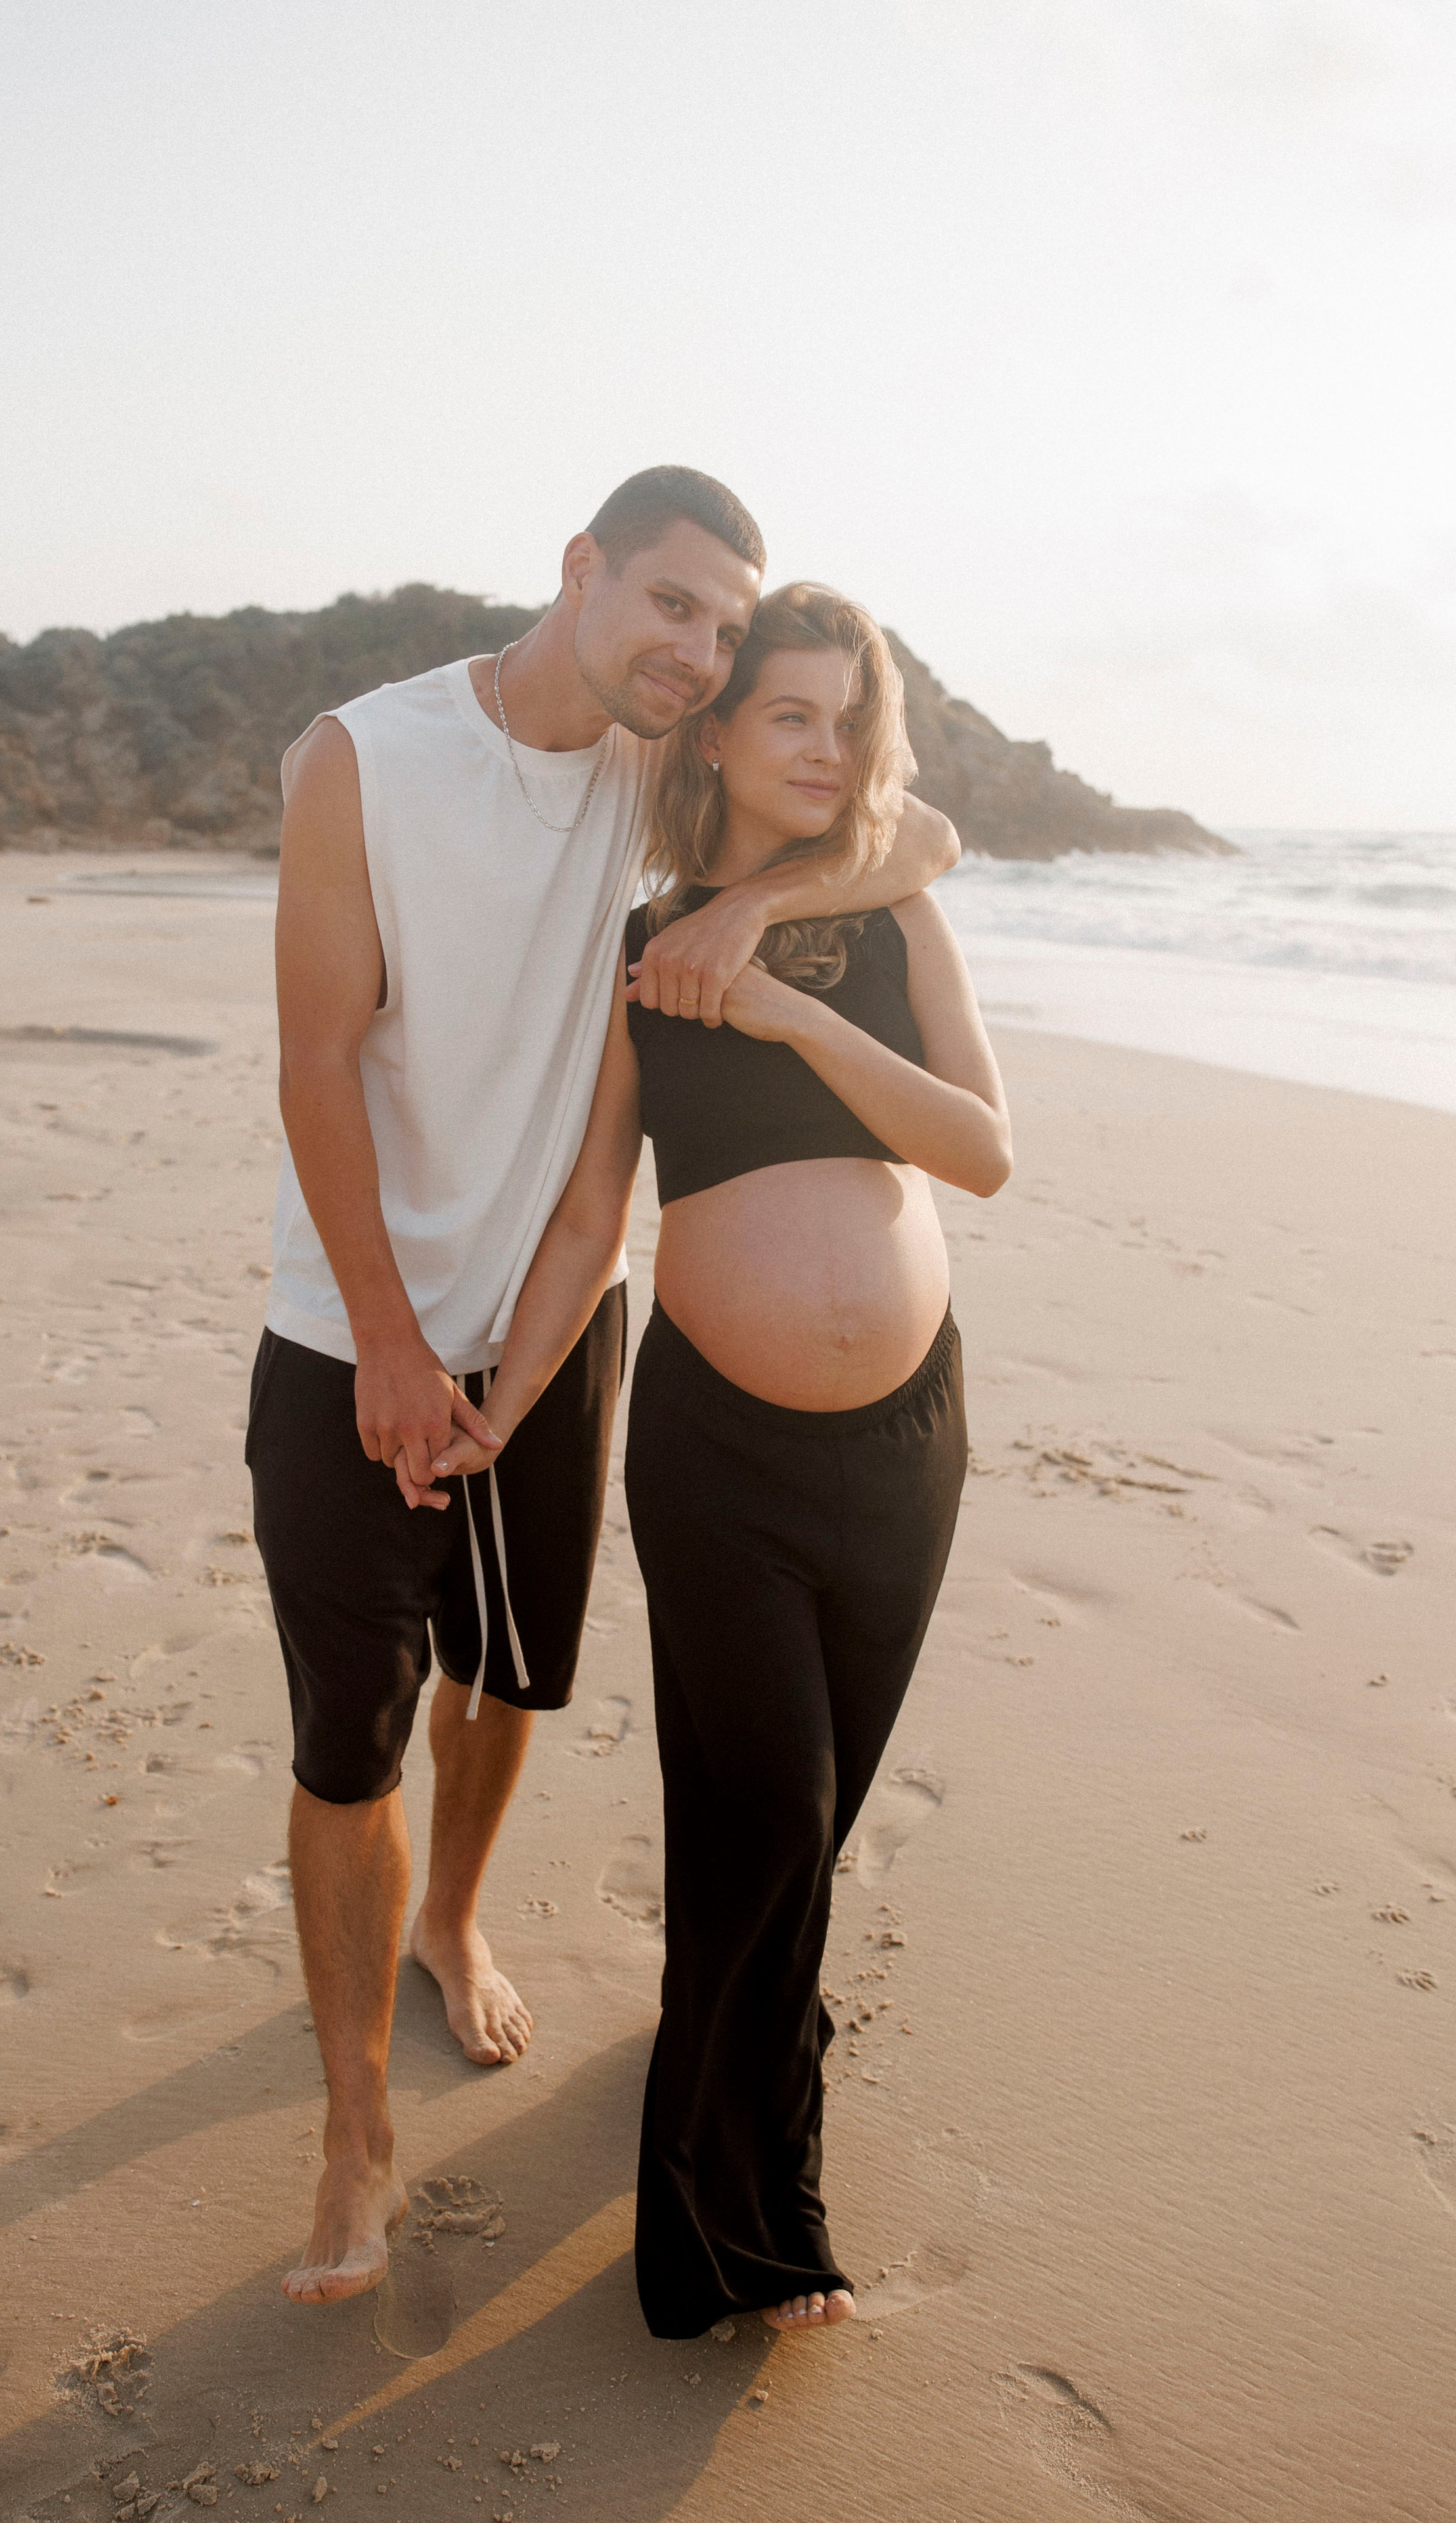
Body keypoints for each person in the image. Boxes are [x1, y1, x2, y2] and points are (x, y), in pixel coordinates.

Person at [248, 479, 961, 2307]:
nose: (696, 649)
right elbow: (317, 1064)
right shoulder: (365, 758)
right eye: (673, 604)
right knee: (351, 1732)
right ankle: (353, 2136)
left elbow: (917, 831)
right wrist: (399, 1342)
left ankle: (455, 1919)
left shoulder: (671, 771)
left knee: (509, 1675)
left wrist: (767, 916)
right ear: (578, 572)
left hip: (565, 1340)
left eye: (724, 627)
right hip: (359, 1330)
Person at [430, 583, 1010, 2338]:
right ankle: (743, 2233)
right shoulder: (643, 948)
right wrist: (503, 1403)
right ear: (722, 734)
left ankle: (742, 2103)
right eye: (791, 716)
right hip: (724, 1452)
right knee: (765, 1815)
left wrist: (789, 1008)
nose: (826, 747)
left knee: (803, 1834)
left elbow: (980, 1149)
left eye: (850, 717)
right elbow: (597, 1207)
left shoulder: (892, 915)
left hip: (911, 1442)